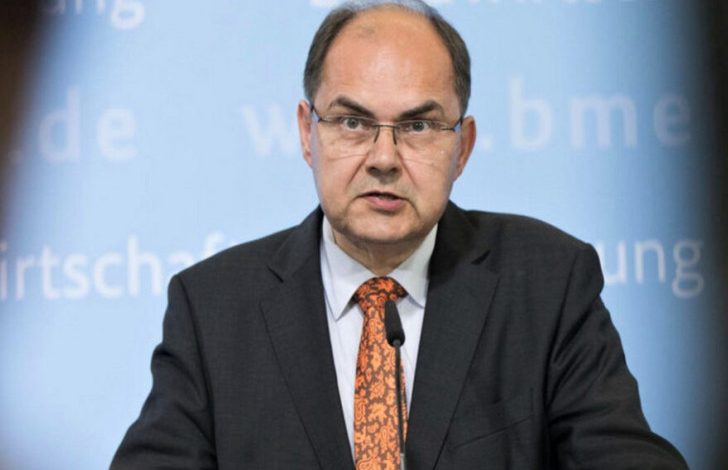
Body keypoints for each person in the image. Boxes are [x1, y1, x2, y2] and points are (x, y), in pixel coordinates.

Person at [112, 1, 688, 468]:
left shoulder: (546, 283)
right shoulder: (212, 309)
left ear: (462, 147)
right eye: (353, 122)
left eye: (418, 125)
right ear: (307, 134)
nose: (384, 158)